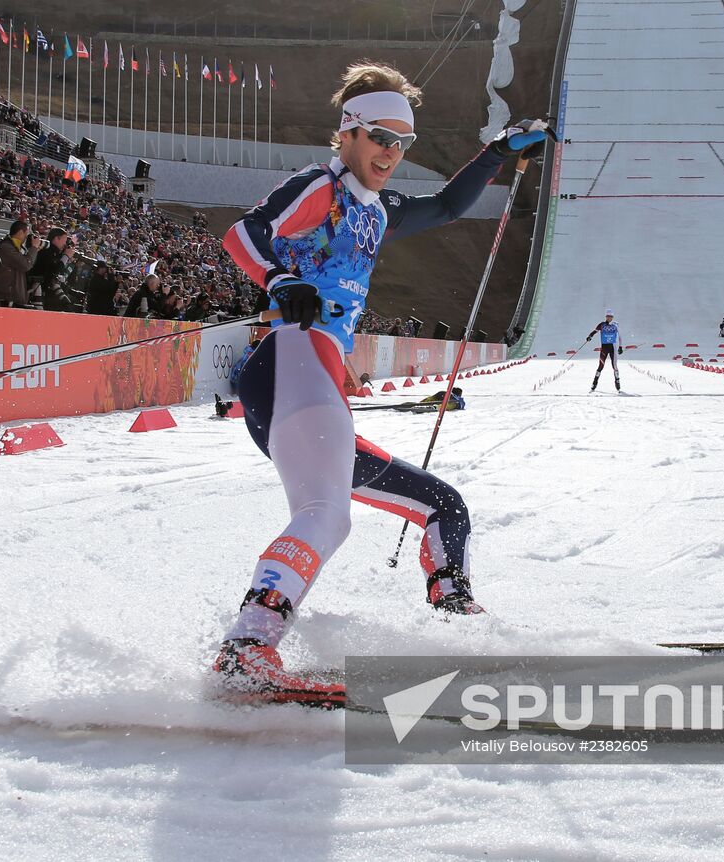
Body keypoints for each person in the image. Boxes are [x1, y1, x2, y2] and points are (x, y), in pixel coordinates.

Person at [211, 61, 550, 702]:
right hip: (291, 361)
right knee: (326, 515)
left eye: (402, 144)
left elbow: (448, 204)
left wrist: (500, 151)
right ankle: (247, 649)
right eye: (380, 139)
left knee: (442, 505)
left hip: (319, 381)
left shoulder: (376, 209)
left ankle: (458, 635)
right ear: (349, 134)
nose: (391, 154)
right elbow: (243, 234)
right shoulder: (323, 188)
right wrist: (281, 281)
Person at [0, 220, 41, 307]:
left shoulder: (16, 247)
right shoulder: (6, 247)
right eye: (27, 234)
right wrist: (34, 248)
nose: (27, 238)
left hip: (12, 297)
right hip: (6, 299)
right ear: (20, 232)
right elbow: (26, 265)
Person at [31, 229, 79, 312]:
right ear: (57, 238)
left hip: (46, 292)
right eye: (64, 241)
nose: (65, 244)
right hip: (38, 291)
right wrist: (66, 256)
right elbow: (54, 272)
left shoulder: (55, 252)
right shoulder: (46, 251)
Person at [588, 309, 624, 392]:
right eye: (608, 316)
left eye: (610, 317)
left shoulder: (616, 325)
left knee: (614, 366)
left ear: (612, 317)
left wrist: (620, 346)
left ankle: (617, 382)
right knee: (601, 365)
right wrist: (590, 336)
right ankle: (594, 383)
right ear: (606, 317)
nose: (609, 318)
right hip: (604, 347)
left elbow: (620, 336)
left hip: (613, 348)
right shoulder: (602, 325)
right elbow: (595, 331)